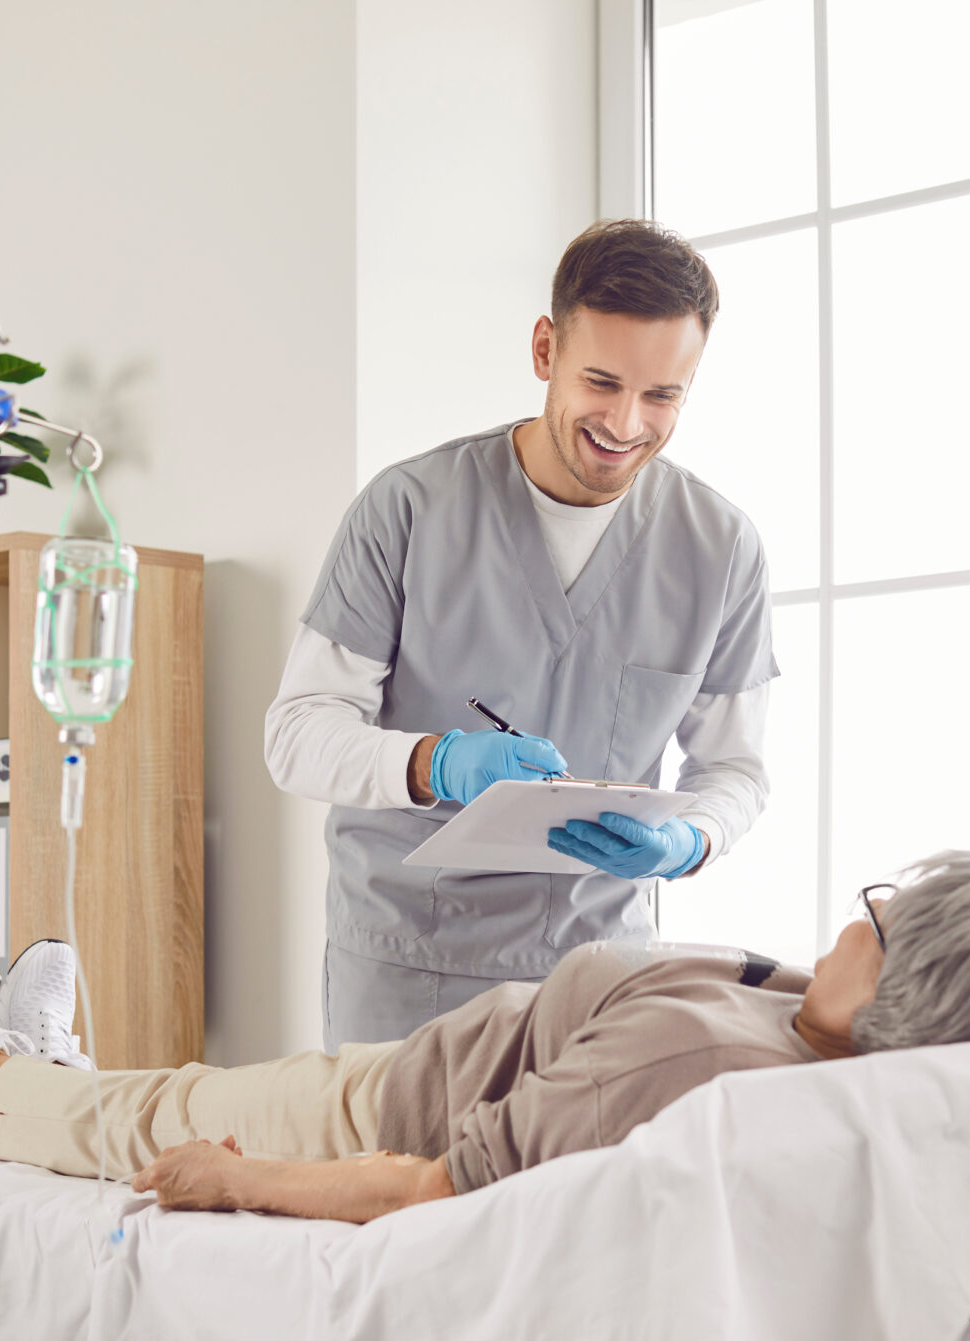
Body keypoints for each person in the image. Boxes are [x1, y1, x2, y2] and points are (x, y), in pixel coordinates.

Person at [0, 851, 970, 1224]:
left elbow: (440, 1185)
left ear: (907, 997)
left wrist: (240, 1180)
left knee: (151, 1118)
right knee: (175, 1085)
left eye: (888, 918)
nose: (864, 913)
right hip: (432, 1064)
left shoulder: (710, 1065)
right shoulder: (817, 1036)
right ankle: (39, 1067)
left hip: (382, 1115)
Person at [266, 218, 778, 1051]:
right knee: (395, 1146)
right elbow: (295, 736)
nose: (625, 422)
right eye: (601, 382)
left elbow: (735, 769)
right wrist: (436, 762)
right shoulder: (407, 509)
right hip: (408, 965)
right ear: (545, 349)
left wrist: (689, 840)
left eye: (662, 395)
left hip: (599, 979)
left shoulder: (719, 549)